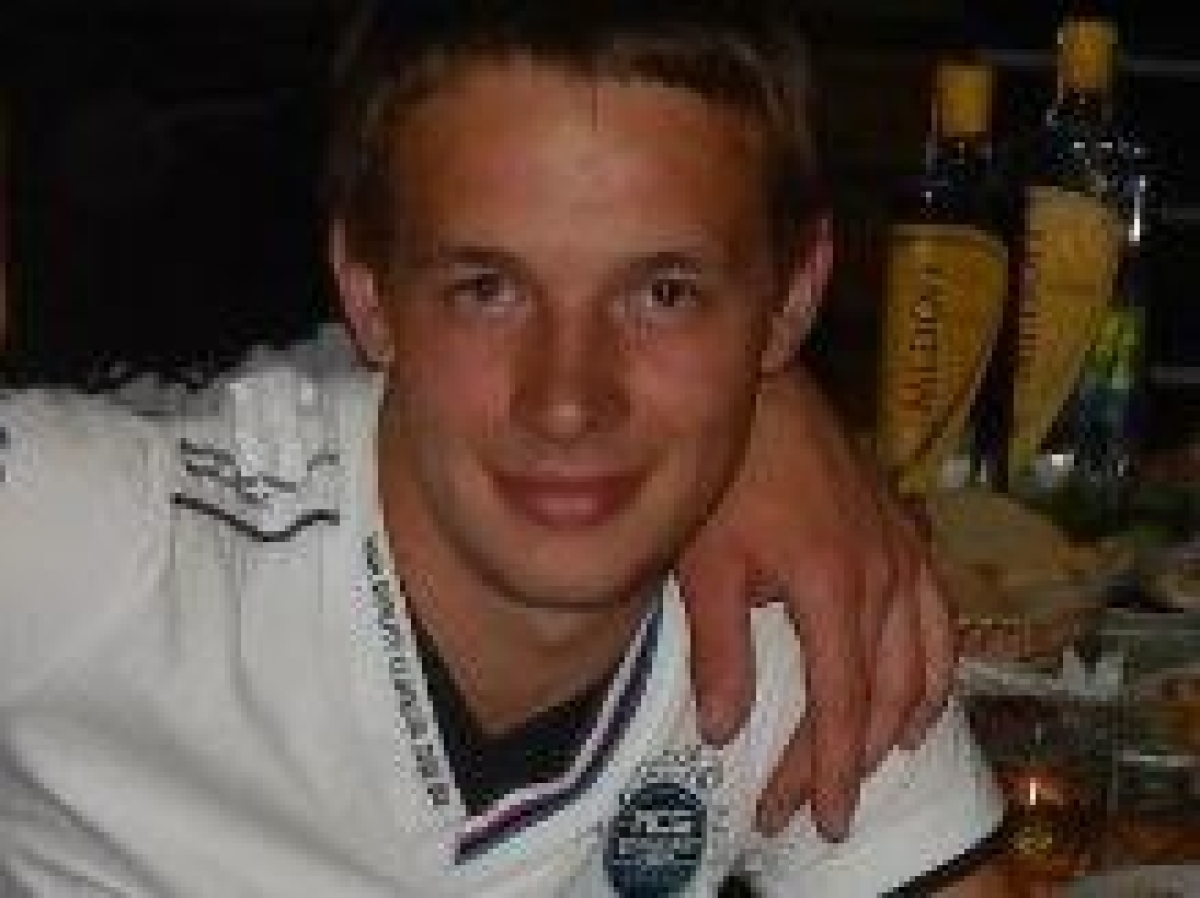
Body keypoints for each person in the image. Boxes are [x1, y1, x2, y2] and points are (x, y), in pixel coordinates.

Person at [0, 3, 1002, 893]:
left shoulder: (801, 614)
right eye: (487, 290)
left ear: (790, 298)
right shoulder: (112, 546)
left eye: (664, 294)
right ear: (367, 290)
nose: (567, 401)